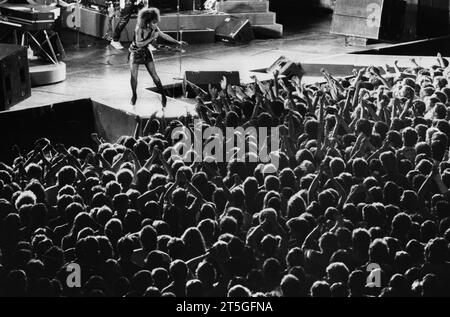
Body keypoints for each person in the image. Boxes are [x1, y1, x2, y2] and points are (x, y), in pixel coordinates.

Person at [128, 7, 187, 106]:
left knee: (155, 76)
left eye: (155, 22)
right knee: (134, 77)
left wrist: (177, 42)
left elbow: (163, 35)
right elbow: (138, 44)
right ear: (147, 21)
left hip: (146, 52)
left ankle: (163, 96)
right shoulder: (139, 28)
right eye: (153, 22)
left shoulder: (154, 27)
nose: (155, 24)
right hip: (136, 52)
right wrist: (151, 38)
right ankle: (134, 96)